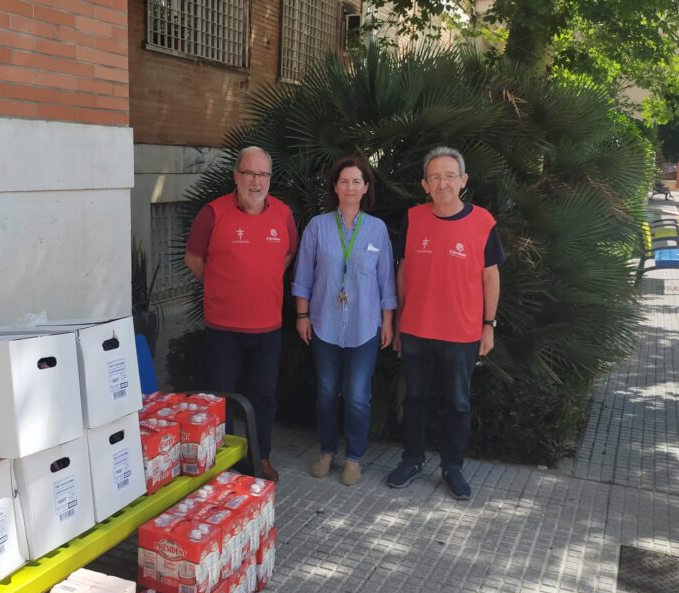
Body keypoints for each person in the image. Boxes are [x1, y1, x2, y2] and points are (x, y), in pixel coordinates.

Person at [388, 146, 505, 500]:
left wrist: (489, 325)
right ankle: (412, 459)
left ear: (463, 180)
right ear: (425, 184)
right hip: (416, 329)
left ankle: (452, 467)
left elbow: (491, 278)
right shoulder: (413, 218)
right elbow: (404, 272)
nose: (443, 183)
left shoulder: (483, 222)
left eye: (450, 176)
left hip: (462, 331)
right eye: (435, 177)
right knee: (416, 399)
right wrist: (397, 323)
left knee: (458, 402)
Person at [184, 146, 298, 482]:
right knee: (221, 397)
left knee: (263, 396)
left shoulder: (283, 214)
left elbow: (288, 254)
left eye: (263, 174)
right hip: (224, 327)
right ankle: (220, 461)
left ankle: (260, 458)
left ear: (269, 179)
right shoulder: (213, 213)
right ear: (236, 176)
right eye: (249, 173)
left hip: (268, 327)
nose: (256, 181)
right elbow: (195, 261)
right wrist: (225, 284)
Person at [291, 156, 397, 486]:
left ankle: (354, 458)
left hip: (365, 326)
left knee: (357, 396)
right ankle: (326, 452)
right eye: (344, 181)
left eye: (357, 181)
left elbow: (386, 280)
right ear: (335, 187)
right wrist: (302, 315)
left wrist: (388, 321)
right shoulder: (317, 226)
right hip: (323, 323)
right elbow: (303, 275)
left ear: (366, 187)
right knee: (326, 392)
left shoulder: (377, 229)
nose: (350, 187)